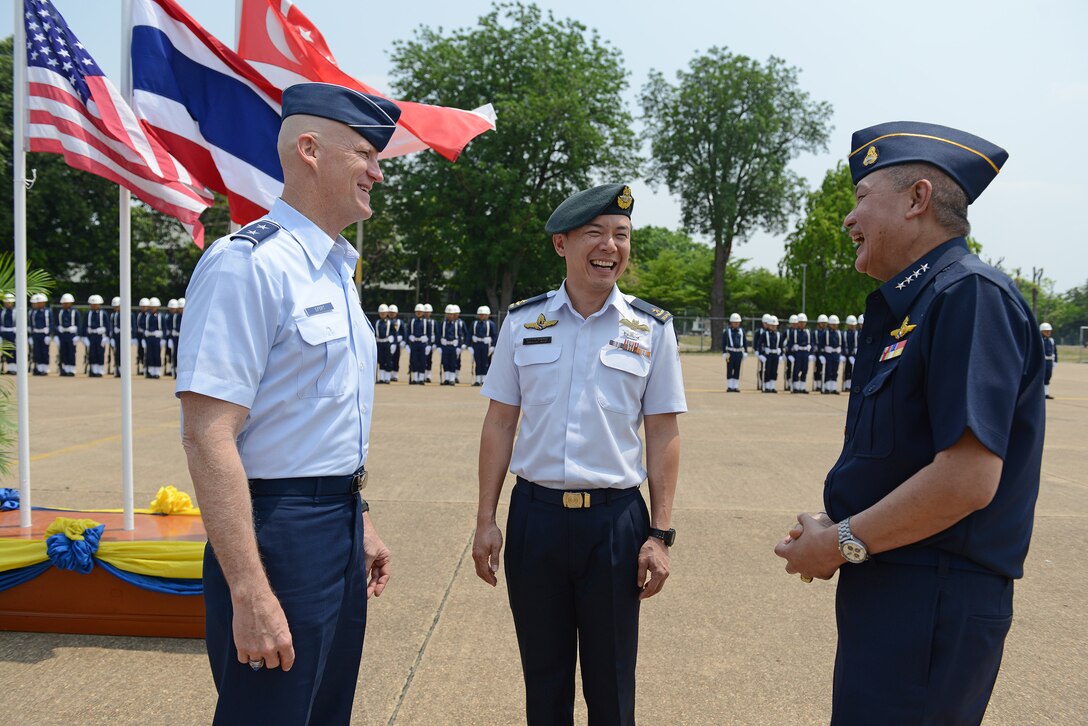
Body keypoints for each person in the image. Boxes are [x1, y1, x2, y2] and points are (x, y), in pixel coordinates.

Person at [774, 121, 1045, 725]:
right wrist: (841, 529)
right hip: (899, 583)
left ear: (917, 199)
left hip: (933, 595)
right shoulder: (920, 303)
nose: (849, 218)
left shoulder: (968, 296)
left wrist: (842, 542)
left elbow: (967, 477)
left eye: (862, 197)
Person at [175, 82, 397, 726]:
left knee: (324, 712)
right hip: (275, 532)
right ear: (309, 149)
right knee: (267, 714)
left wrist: (358, 518)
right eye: (364, 154)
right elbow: (207, 435)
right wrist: (248, 588)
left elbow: (318, 420)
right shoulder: (249, 265)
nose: (377, 173)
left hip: (335, 524)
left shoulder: (334, 272)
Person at [473, 183, 686, 726]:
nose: (609, 246)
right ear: (561, 244)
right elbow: (500, 423)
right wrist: (485, 520)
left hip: (615, 524)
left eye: (621, 235)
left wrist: (660, 534)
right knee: (543, 682)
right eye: (594, 234)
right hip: (535, 520)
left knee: (612, 684)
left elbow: (663, 433)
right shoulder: (523, 323)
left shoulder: (651, 329)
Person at [81, 295, 109, 378]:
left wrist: (106, 336)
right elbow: (84, 325)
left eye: (96, 304)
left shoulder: (103, 313)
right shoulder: (88, 314)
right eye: (92, 304)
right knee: (92, 353)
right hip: (91, 336)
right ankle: (93, 369)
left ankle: (99, 370)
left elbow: (107, 325)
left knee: (100, 352)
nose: (94, 306)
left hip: (100, 336)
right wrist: (84, 336)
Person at [439, 304, 465, 385]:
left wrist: (459, 347)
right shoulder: (443, 323)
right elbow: (438, 335)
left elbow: (460, 336)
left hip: (454, 346)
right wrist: (439, 345)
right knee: (445, 362)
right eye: (448, 314)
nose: (449, 315)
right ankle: (446, 378)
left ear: (454, 315)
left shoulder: (457, 324)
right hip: (445, 346)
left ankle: (452, 379)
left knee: (453, 362)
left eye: (451, 314)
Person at [470, 306, 497, 386]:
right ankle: (478, 379)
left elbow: (494, 335)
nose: (482, 316)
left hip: (486, 345)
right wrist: (469, 345)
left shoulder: (491, 324)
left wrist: (493, 346)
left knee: (486, 362)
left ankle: (485, 379)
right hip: (477, 345)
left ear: (488, 315)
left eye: (484, 314)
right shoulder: (474, 323)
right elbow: (469, 334)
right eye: (481, 314)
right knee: (478, 362)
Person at [56, 293, 81, 377]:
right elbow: (56, 324)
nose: (65, 304)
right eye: (64, 303)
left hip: (71, 335)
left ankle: (72, 369)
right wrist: (56, 334)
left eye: (67, 303)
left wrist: (78, 335)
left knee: (71, 352)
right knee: (63, 352)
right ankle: (65, 368)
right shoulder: (60, 312)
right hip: (62, 335)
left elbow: (79, 324)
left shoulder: (75, 312)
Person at [406, 303, 430, 385]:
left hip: (423, 344)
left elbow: (430, 334)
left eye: (420, 311)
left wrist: (428, 343)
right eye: (417, 311)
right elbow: (408, 332)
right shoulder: (412, 321)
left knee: (423, 361)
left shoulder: (426, 322)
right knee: (414, 361)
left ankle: (421, 378)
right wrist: (409, 339)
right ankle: (415, 378)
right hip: (414, 343)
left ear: (423, 312)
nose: (419, 313)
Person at [722, 312, 746, 392]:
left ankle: (735, 386)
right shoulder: (727, 331)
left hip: (739, 352)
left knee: (737, 369)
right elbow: (723, 342)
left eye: (738, 322)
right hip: (730, 353)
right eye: (735, 322)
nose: (736, 324)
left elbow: (745, 341)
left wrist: (745, 351)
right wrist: (724, 352)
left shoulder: (741, 331)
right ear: (731, 322)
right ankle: (730, 386)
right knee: (729, 368)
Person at [758, 315, 783, 393]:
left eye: (775, 325)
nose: (773, 327)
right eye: (772, 325)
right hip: (767, 355)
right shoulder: (765, 334)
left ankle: (772, 386)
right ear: (768, 325)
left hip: (775, 355)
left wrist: (781, 353)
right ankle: (766, 386)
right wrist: (761, 354)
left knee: (774, 371)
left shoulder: (778, 334)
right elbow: (759, 344)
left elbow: (781, 345)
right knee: (767, 370)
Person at [143, 297, 167, 379]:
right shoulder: (147, 316)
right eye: (151, 307)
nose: (153, 308)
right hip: (149, 337)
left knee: (157, 354)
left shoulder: (161, 316)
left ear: (157, 307)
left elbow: (164, 328)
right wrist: (144, 338)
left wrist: (163, 338)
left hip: (157, 338)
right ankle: (151, 371)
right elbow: (144, 328)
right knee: (150, 355)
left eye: (154, 307)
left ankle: (157, 372)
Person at [29, 293, 51, 376]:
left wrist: (48, 335)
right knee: (36, 352)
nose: (38, 304)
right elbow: (31, 324)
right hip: (36, 334)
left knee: (44, 351)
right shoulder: (33, 312)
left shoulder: (47, 312)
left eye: (40, 302)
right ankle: (38, 368)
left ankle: (45, 368)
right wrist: (31, 336)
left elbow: (50, 323)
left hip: (44, 334)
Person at [821, 314, 843, 394]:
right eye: (833, 324)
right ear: (830, 324)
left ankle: (833, 388)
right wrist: (821, 354)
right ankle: (827, 387)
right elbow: (821, 345)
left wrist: (841, 353)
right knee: (828, 370)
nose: (834, 326)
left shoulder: (839, 333)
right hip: (828, 354)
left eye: (836, 324)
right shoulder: (825, 333)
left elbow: (842, 344)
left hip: (836, 354)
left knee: (835, 371)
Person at [791, 312, 812, 393]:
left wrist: (810, 349)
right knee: (796, 370)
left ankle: (802, 387)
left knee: (804, 370)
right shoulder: (794, 332)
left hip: (805, 353)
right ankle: (795, 387)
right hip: (797, 353)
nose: (802, 324)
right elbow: (789, 343)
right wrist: (791, 352)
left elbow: (811, 343)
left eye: (803, 322)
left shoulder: (808, 332)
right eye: (800, 322)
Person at [374, 304, 395, 384]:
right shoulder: (376, 322)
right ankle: (382, 378)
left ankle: (387, 378)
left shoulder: (390, 322)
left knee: (388, 360)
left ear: (387, 313)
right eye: (381, 312)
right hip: (379, 343)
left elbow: (394, 333)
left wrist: (394, 343)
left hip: (387, 343)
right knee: (381, 360)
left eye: (384, 312)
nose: (382, 314)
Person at [842, 315, 860, 392]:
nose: (852, 326)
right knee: (847, 370)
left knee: (855, 371)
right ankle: (847, 385)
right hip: (847, 354)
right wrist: (846, 354)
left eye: (853, 325)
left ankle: (852, 385)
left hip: (855, 354)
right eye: (851, 325)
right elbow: (844, 344)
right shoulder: (845, 333)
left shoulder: (857, 333)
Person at [1, 293, 16, 374]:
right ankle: (10, 368)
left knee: (14, 351)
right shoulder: (2, 311)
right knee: (6, 351)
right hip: (4, 333)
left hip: (13, 333)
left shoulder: (15, 312)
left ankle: (15, 368)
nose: (7, 304)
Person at [1040, 322, 1056, 400]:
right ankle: (1040, 393)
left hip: (1050, 360)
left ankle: (1046, 393)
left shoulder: (1052, 340)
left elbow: (1055, 351)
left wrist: (1055, 361)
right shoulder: (1040, 340)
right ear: (1041, 332)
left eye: (1049, 331)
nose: (1048, 333)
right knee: (1041, 377)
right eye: (1046, 331)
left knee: (1048, 376)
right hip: (1043, 360)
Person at [812, 314, 828, 391]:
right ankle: (817, 384)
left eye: (825, 323)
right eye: (822, 323)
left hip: (825, 352)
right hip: (817, 353)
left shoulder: (827, 332)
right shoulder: (815, 332)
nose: (824, 324)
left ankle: (824, 384)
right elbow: (813, 342)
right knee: (817, 368)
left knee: (825, 369)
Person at [135, 297, 150, 375]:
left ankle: (147, 367)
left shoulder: (149, 315)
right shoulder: (139, 315)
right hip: (140, 336)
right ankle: (141, 367)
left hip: (148, 336)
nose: (143, 308)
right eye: (142, 306)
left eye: (145, 306)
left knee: (148, 353)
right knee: (140, 352)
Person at [422, 303, 437, 382]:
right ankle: (422, 374)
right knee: (422, 359)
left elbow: (437, 333)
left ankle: (428, 375)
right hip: (423, 342)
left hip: (431, 343)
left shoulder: (433, 322)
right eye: (425, 312)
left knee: (429, 359)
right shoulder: (422, 321)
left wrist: (435, 344)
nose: (427, 313)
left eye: (428, 312)